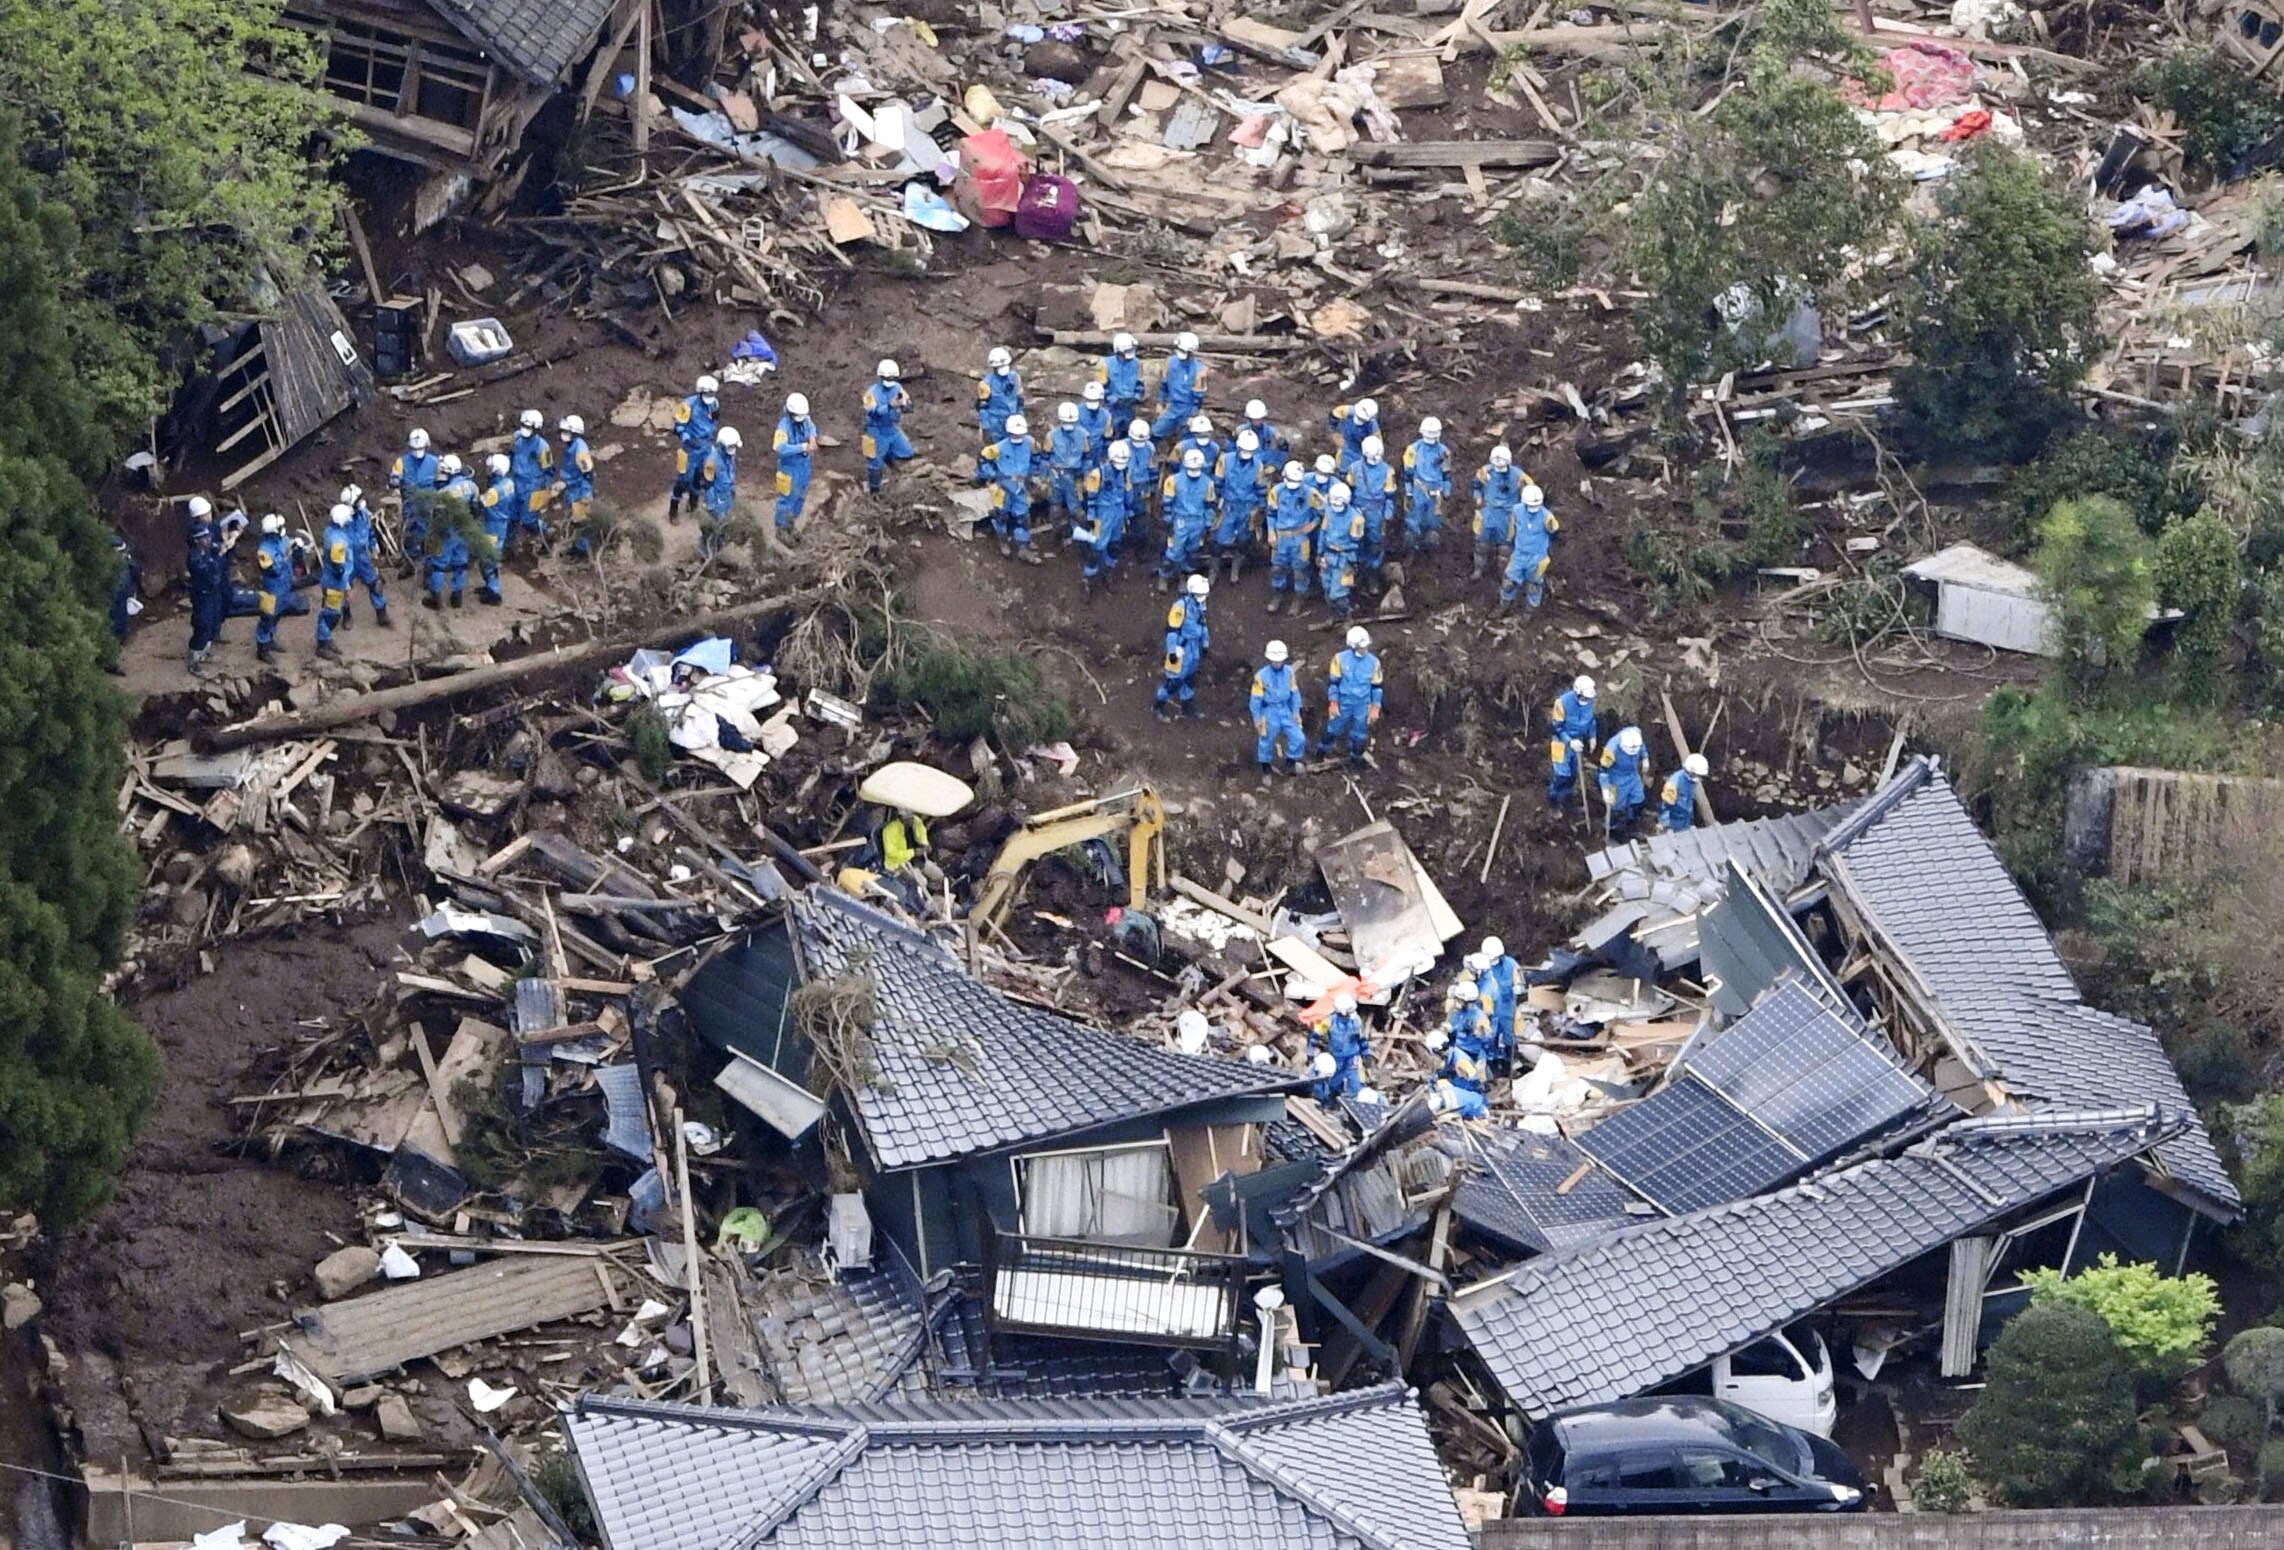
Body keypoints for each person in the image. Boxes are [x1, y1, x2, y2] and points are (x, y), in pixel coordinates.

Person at [978, 412, 1041, 564]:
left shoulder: (1031, 443)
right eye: (1014, 434)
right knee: (1001, 515)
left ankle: (1023, 549)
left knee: (1023, 517)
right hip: (1003, 487)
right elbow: (982, 459)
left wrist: (1034, 473)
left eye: (1020, 434)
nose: (1018, 437)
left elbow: (1038, 457)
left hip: (1019, 486)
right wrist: (991, 475)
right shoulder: (999, 447)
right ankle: (1003, 541)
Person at [1317, 624, 1383, 768]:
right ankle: (1320, 754)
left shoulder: (1374, 662)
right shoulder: (1339, 659)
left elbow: (1376, 687)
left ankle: (1355, 763)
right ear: (1353, 646)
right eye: (1361, 647)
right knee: (1333, 728)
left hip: (1362, 704)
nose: (1364, 649)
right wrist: (1333, 702)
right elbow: (1333, 683)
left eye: (1365, 646)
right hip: (1343, 701)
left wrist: (1375, 707)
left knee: (1359, 734)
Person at [1075, 440, 1132, 597]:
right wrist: (1091, 516)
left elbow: (1128, 492)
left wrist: (1129, 511)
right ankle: (1088, 579)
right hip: (1102, 515)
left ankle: (1108, 573)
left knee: (1115, 546)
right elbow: (1090, 497)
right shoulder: (1097, 474)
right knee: (1097, 548)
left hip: (1118, 513)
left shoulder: (1125, 472)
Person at [1157, 446, 1217, 588]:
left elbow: (1209, 505)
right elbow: (1167, 503)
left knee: (1192, 553)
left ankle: (1184, 577)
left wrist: (1208, 524)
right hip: (1180, 520)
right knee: (1173, 552)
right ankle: (1164, 575)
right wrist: (1168, 521)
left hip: (1198, 521)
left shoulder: (1208, 482)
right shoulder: (1173, 480)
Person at [1154, 572, 1211, 721]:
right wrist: (1172, 652)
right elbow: (1172, 631)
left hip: (1193, 648)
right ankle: (1157, 706)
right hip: (1181, 647)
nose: (1201, 597)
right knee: (1174, 682)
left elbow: (1204, 626)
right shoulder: (1180, 607)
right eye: (1199, 594)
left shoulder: (1201, 606)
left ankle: (1187, 708)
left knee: (1189, 679)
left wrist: (1205, 644)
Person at [1213, 427, 1266, 582]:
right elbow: (1218, 482)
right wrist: (1216, 502)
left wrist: (1261, 508)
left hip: (1248, 507)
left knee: (1244, 539)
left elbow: (1260, 487)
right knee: (1219, 539)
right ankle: (1213, 570)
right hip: (1228, 505)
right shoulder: (1225, 459)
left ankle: (1235, 569)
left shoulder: (1258, 465)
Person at [1264, 460, 1314, 615]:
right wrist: (1271, 532)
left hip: (1300, 538)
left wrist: (1313, 524)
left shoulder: (1310, 493)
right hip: (1282, 537)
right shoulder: (1277, 491)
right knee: (1278, 567)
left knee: (1300, 570)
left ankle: (1299, 598)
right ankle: (1277, 594)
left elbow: (1322, 511)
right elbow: (1271, 513)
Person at [1249, 638, 1304, 778]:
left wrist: (1296, 711)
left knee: (1299, 738)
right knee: (1266, 740)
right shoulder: (1261, 676)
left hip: (1285, 710)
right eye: (1275, 660)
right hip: (1269, 712)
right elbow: (1255, 700)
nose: (1277, 663)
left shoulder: (1289, 672)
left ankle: (1290, 763)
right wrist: (1257, 718)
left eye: (1280, 660)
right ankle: (1266, 768)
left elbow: (1294, 693)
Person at [1500, 483, 1560, 611]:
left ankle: (1528, 613)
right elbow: (1512, 527)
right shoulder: (1517, 510)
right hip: (1519, 555)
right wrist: (1508, 541)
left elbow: (1554, 529)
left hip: (1537, 558)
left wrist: (1551, 529)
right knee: (1508, 582)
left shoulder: (1547, 516)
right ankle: (1504, 606)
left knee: (1533, 586)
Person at [669, 375, 720, 522]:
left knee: (700, 477)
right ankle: (673, 509)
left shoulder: (714, 404)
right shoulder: (688, 405)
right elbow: (678, 425)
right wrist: (684, 435)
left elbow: (715, 420)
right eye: (707, 394)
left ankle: (693, 504)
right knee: (683, 479)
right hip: (689, 449)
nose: (710, 397)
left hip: (705, 446)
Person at [427, 455, 477, 608]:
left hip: (447, 533)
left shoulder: (444, 493)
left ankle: (435, 599)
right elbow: (475, 509)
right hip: (464, 529)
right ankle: (457, 597)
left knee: (438, 565)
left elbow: (438, 518)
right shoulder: (472, 486)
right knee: (460, 563)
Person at [389, 428, 440, 576]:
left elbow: (441, 481)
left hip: (428, 503)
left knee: (428, 535)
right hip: (409, 503)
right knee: (409, 534)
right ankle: (410, 563)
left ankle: (427, 567)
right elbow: (394, 477)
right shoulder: (401, 462)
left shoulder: (435, 462)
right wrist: (394, 480)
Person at [338, 484, 390, 628]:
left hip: (362, 558)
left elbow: (370, 532)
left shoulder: (363, 514)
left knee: (375, 585)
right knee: (344, 589)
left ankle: (381, 613)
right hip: (346, 560)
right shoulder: (341, 520)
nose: (362, 501)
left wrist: (374, 546)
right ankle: (346, 615)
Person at [1349, 437, 1398, 588]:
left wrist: (1388, 512)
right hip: (1357, 511)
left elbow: (1390, 494)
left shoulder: (1387, 471)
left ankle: (1372, 575)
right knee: (1355, 542)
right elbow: (1349, 490)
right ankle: (1357, 574)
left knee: (1375, 544)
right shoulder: (1354, 468)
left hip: (1377, 512)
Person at [186, 507, 230, 676]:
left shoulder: (206, 549)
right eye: (204, 537)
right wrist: (219, 555)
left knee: (213, 622)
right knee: (202, 625)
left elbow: (217, 547)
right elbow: (208, 569)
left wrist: (224, 545)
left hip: (213, 592)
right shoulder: (194, 557)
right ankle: (194, 659)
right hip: (202, 595)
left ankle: (205, 651)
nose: (208, 538)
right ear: (197, 540)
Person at [861, 359, 915, 492]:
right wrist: (889, 406)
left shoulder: (897, 387)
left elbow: (908, 405)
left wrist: (905, 405)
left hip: (892, 428)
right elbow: (873, 413)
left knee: (907, 452)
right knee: (875, 463)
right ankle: (874, 490)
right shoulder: (871, 393)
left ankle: (889, 459)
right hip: (876, 430)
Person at [1473, 445, 1523, 580]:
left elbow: (1529, 490)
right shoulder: (1485, 471)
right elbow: (1476, 485)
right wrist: (1478, 497)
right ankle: (1478, 570)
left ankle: (1504, 574)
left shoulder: (1518, 475)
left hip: (1508, 515)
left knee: (1505, 548)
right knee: (1481, 544)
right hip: (1488, 511)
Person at [1310, 991, 1370, 1103]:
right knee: (1333, 1083)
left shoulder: (1356, 1021)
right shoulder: (1329, 1021)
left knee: (1355, 1082)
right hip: (1336, 1058)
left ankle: (1354, 1104)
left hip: (1352, 1057)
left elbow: (1362, 1039)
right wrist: (1310, 1051)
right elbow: (1315, 1035)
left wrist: (1366, 1054)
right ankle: (1329, 1102)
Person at [1547, 674, 1598, 808]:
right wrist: (1569, 742)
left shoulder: (1589, 703)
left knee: (1572, 775)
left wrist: (1592, 737)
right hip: (1561, 743)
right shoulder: (1562, 703)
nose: (1586, 700)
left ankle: (1567, 802)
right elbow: (1557, 727)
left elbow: (1591, 721)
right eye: (1584, 697)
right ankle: (1553, 802)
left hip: (1578, 743)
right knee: (1562, 775)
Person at [1401, 417, 1449, 552]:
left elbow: (1446, 472)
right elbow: (1408, 473)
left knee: (1433, 519)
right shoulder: (1413, 449)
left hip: (1436, 490)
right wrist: (1408, 491)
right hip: (1418, 488)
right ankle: (1411, 549)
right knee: (1413, 517)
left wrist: (1446, 488)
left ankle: (1431, 550)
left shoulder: (1443, 451)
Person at [1317, 482, 1364, 620]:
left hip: (1344, 559)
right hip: (1328, 556)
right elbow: (1323, 532)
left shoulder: (1356, 519)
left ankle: (1347, 616)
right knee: (1326, 587)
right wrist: (1320, 554)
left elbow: (1356, 543)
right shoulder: (1329, 512)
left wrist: (1352, 562)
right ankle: (1335, 614)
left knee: (1338, 593)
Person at [772, 393, 817, 533]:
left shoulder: (805, 419)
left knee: (800, 495)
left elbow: (811, 427)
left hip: (803, 466)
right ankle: (781, 528)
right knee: (787, 499)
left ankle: (791, 523)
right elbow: (780, 448)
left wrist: (813, 438)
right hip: (788, 468)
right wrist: (802, 447)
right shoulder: (783, 428)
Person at [252, 512, 294, 662]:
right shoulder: (264, 550)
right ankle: (262, 648)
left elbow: (288, 552)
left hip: (284, 586)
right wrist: (285, 556)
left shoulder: (283, 539)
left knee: (277, 615)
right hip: (271, 589)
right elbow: (273, 569)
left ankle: (270, 639)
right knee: (267, 618)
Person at [314, 503, 353, 660]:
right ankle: (322, 644)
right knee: (331, 613)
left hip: (329, 579)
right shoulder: (337, 541)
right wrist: (345, 583)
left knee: (333, 610)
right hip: (334, 583)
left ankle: (326, 639)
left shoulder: (330, 532)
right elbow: (338, 566)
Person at [510, 407, 553, 546]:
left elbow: (548, 469)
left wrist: (545, 492)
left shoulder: (542, 447)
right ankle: (512, 546)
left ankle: (546, 535)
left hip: (532, 487)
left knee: (529, 520)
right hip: (516, 483)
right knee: (512, 517)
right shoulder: (517, 438)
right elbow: (511, 455)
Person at [476, 453, 516, 603]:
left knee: (487, 559)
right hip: (502, 525)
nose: (487, 470)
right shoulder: (508, 483)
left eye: (490, 468)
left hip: (491, 527)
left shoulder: (494, 492)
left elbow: (479, 504)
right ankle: (490, 586)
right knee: (491, 558)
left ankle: (494, 593)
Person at [1476, 936, 1520, 1071]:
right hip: (1488, 1009)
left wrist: (1518, 986)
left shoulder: (1511, 964)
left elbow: (1519, 980)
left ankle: (1511, 1063)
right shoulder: (1481, 967)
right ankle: (1492, 1066)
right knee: (1489, 1038)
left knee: (1510, 1035)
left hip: (1507, 1007)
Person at [1152, 331, 1206, 439]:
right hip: (1171, 406)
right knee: (1155, 433)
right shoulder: (1169, 362)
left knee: (1188, 438)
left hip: (1188, 408)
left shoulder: (1199, 371)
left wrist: (1193, 415)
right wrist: (1160, 403)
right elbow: (1164, 385)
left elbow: (1198, 397)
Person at [1599, 725, 1651, 837]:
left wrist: (1645, 758)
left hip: (1632, 774)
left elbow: (1641, 747)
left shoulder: (1636, 735)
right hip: (1616, 777)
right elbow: (1603, 771)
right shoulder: (1611, 749)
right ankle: (1612, 829)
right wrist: (1605, 788)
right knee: (1616, 806)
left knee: (1638, 800)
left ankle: (1631, 826)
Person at [699, 425, 743, 558]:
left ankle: (721, 550)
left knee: (724, 526)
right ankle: (706, 553)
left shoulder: (730, 456)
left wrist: (732, 490)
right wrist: (711, 504)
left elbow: (730, 473)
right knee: (713, 528)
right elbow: (708, 485)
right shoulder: (711, 463)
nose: (733, 450)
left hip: (726, 497)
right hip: (716, 500)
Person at [555, 416, 596, 552]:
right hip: (571, 491)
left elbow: (587, 474)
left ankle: (582, 552)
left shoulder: (579, 449)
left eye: (567, 431)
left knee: (581, 524)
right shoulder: (571, 446)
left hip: (579, 491)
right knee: (572, 521)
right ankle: (574, 546)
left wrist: (585, 493)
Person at [976, 345, 1024, 462]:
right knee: (995, 451)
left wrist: (1021, 415)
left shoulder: (1014, 377)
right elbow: (983, 408)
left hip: (1013, 419)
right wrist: (986, 427)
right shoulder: (986, 384)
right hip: (995, 422)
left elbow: (1019, 398)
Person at [1119, 418, 1158, 550]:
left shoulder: (1150, 448)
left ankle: (1140, 545)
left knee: (1141, 516)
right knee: (1122, 513)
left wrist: (1152, 488)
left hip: (1142, 485)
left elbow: (1153, 468)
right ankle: (1121, 542)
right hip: (1125, 485)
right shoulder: (1121, 446)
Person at [1048, 402, 1090, 527]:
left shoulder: (1083, 434)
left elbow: (1087, 458)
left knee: (1076, 507)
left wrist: (1086, 476)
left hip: (1074, 474)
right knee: (1056, 506)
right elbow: (1045, 457)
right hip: (1056, 474)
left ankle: (1079, 534)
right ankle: (1057, 533)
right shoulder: (1052, 436)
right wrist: (1044, 478)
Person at [1098, 332, 1143, 429]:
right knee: (1111, 433)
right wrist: (1112, 399)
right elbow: (1102, 387)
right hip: (1112, 407)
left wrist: (1136, 397)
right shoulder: (1106, 364)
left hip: (1130, 406)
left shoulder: (1137, 363)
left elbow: (1140, 384)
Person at [1328, 396, 1380, 476]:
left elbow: (1376, 447)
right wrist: (1334, 433)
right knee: (1342, 462)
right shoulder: (1345, 410)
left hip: (1359, 447)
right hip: (1345, 439)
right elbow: (1333, 418)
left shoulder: (1373, 427)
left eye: (1362, 419)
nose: (1359, 420)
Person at [1660, 752, 1710, 834]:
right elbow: (1667, 807)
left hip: (1686, 819)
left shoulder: (1691, 781)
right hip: (1673, 821)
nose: (1699, 779)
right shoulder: (1673, 784)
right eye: (1697, 775)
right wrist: (1665, 824)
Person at [108, 533, 139, 655]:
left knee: (121, 626)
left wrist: (133, 595)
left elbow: (134, 580)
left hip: (124, 601)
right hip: (111, 603)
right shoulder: (107, 569)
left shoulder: (130, 565)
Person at [1077, 379, 1114, 463]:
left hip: (1097, 452)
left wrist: (1104, 456)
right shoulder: (1076, 412)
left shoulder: (1106, 415)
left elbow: (1107, 437)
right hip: (1078, 451)